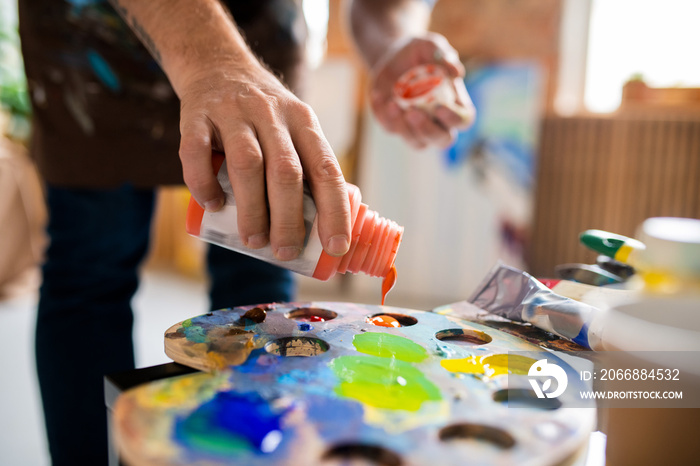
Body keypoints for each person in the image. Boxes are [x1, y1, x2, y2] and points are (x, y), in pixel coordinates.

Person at [18, 0, 474, 464]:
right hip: (95, 54)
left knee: (262, 285)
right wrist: (214, 62)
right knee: (91, 269)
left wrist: (392, 37)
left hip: (260, 40)